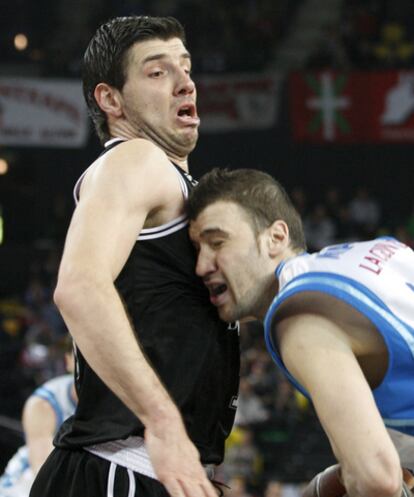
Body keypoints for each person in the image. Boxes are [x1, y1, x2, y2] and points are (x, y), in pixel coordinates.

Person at [29, 15, 240, 497]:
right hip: (122, 466)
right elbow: (80, 288)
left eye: (185, 67)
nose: (185, 82)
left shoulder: (178, 186)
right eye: (157, 71)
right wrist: (163, 424)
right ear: (111, 100)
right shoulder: (137, 159)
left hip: (150, 470)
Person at [188, 168, 414, 497]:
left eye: (217, 242)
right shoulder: (371, 252)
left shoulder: (299, 317)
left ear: (276, 237)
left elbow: (376, 478)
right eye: (197, 250)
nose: (201, 265)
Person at [0, 336, 76, 497]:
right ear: (68, 361)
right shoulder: (45, 403)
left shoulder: (121, 400)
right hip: (24, 489)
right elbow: (45, 475)